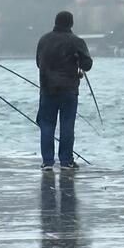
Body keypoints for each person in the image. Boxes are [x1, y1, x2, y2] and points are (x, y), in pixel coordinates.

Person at [35, 11, 93, 171]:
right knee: (67, 125)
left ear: (55, 22)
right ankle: (66, 161)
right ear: (71, 24)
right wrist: (78, 63)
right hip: (69, 90)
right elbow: (87, 64)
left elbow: (38, 63)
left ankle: (47, 162)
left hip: (47, 89)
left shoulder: (44, 40)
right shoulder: (76, 41)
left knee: (47, 125)